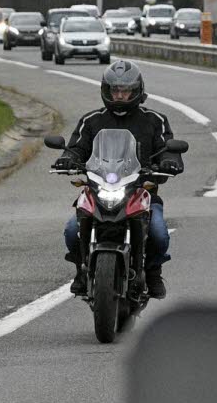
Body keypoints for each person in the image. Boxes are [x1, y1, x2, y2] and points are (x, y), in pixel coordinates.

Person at [53, 60, 184, 299]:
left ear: (137, 91)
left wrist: (169, 160)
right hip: (99, 190)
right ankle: (81, 271)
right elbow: (76, 148)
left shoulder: (156, 120)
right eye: (115, 90)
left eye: (125, 91)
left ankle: (153, 272)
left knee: (158, 233)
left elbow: (168, 148)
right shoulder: (91, 121)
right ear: (106, 90)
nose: (120, 95)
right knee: (73, 230)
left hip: (141, 191)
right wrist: (67, 158)